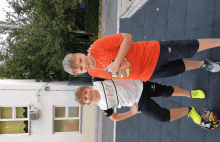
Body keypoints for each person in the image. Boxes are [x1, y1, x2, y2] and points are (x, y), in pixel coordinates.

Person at [63, 33, 220, 81]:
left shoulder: (97, 46)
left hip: (153, 52)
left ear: (80, 54)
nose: (85, 65)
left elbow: (127, 37)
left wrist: (117, 62)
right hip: (149, 73)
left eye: (81, 61)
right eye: (81, 69)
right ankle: (203, 63)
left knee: (189, 47)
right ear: (80, 73)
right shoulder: (93, 73)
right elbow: (117, 77)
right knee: (181, 67)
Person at [74, 79, 204, 125]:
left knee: (168, 91)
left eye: (85, 93)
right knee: (162, 117)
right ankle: (190, 110)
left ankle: (190, 94)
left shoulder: (98, 81)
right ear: (88, 103)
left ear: (87, 88)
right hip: (138, 103)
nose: (88, 96)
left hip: (140, 86)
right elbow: (115, 118)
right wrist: (131, 113)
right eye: (85, 99)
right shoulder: (104, 106)